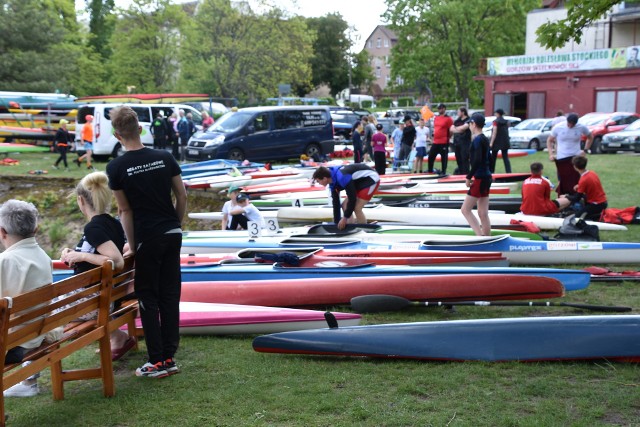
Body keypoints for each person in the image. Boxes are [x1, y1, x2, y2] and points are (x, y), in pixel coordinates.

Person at [105, 105, 187, 379]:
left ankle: (157, 360)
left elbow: (124, 211)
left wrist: (131, 243)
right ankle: (169, 356)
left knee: (148, 297)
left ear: (117, 135)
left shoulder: (116, 167)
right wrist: (176, 225)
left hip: (147, 238)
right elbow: (182, 196)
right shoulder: (165, 156)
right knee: (169, 295)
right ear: (141, 128)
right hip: (171, 233)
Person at [60, 171, 136, 360]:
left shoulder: (93, 227)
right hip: (103, 296)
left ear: (81, 200)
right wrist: (73, 254)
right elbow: (96, 254)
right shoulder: (112, 223)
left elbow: (116, 261)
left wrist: (81, 255)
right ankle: (119, 338)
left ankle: (30, 375)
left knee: (38, 315)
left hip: (94, 303)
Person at [0, 200, 52, 397]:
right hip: (35, 335)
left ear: (2, 232)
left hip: (13, 345)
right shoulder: (43, 257)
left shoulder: (5, 261)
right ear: (36, 229)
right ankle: (28, 382)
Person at [312, 164, 380, 230]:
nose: (319, 183)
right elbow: (336, 203)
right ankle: (351, 226)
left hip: (371, 179)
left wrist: (344, 218)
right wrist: (336, 223)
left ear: (324, 178)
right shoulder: (332, 183)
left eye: (318, 181)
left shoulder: (342, 177)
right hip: (360, 182)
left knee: (357, 208)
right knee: (344, 205)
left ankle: (365, 229)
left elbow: (352, 199)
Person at [461, 113, 492, 236]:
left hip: (479, 178)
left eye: (469, 123)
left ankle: (480, 237)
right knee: (482, 212)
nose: (469, 125)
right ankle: (487, 237)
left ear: (473, 124)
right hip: (486, 177)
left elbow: (477, 160)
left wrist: (469, 177)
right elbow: (489, 159)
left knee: (465, 210)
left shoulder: (477, 140)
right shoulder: (485, 139)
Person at [547, 113, 593, 196]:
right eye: (569, 124)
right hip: (562, 158)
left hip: (576, 157)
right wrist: (551, 154)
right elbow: (549, 140)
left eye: (573, 125)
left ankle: (577, 198)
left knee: (577, 180)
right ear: (566, 121)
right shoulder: (558, 127)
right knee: (562, 180)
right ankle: (562, 199)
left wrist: (585, 150)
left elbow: (590, 137)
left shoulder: (581, 127)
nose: (570, 126)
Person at [566, 156, 608, 221]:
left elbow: (577, 198)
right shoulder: (592, 173)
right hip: (603, 202)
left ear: (575, 167)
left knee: (577, 217)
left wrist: (566, 196)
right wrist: (579, 185)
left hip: (596, 205)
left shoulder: (583, 179)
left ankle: (599, 216)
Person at [427, 103, 453, 174]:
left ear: (444, 109)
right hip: (436, 141)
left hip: (444, 142)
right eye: (439, 108)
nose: (440, 110)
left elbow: (451, 130)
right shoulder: (436, 118)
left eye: (441, 108)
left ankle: (443, 172)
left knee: (444, 158)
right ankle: (430, 170)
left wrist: (448, 137)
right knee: (431, 156)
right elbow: (436, 129)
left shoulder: (448, 119)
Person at [450, 107, 471, 175]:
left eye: (459, 112)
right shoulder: (457, 121)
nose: (458, 113)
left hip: (465, 143)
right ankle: (460, 173)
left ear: (463, 112)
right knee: (458, 159)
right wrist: (458, 129)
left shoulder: (468, 120)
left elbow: (463, 128)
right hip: (457, 143)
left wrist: (456, 129)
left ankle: (466, 174)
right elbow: (451, 129)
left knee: (465, 159)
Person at [489, 109, 512, 173]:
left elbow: (494, 133)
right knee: (505, 158)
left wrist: (491, 142)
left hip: (496, 142)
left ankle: (491, 171)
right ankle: (508, 172)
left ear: (498, 114)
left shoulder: (495, 122)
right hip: (505, 141)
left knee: (493, 158)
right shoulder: (506, 122)